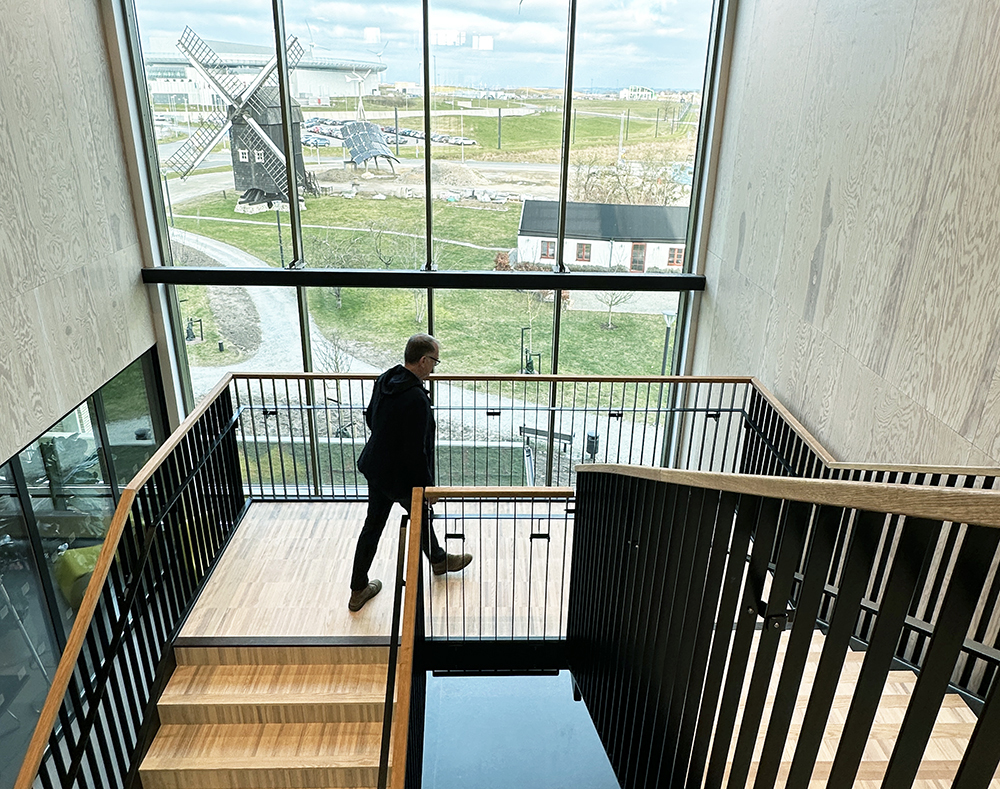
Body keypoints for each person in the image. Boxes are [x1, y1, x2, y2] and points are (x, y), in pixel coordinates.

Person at [349, 334, 472, 611]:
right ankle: (438, 560)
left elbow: (371, 417)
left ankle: (358, 589)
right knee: (420, 514)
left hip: (377, 468)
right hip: (401, 476)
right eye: (435, 362)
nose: (434, 368)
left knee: (373, 527)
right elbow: (418, 451)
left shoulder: (386, 378)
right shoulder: (416, 398)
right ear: (423, 360)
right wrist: (428, 488)